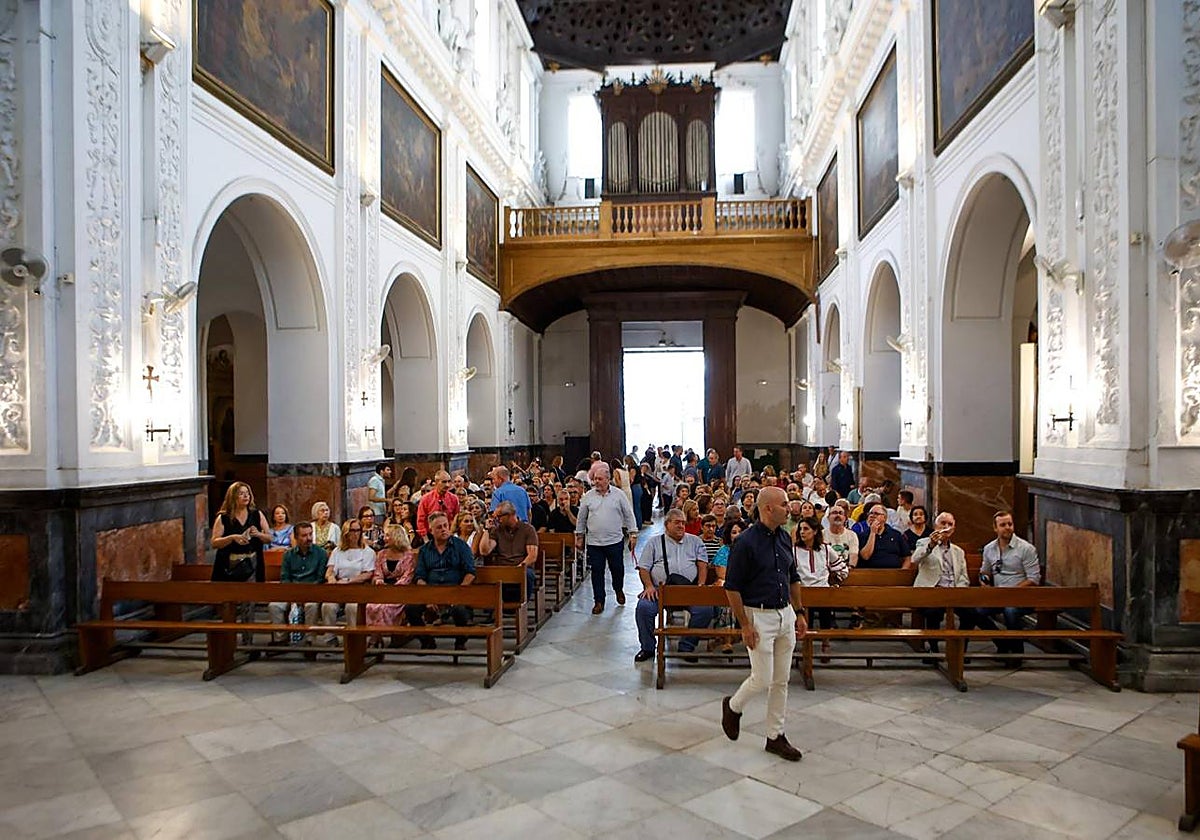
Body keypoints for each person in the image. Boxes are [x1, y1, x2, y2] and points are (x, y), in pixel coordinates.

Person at [719, 486, 805, 761]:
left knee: (781, 680)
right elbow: (732, 588)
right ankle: (733, 707)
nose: (789, 507)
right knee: (762, 678)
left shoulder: (784, 538)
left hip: (785, 614)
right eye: (784, 504)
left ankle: (775, 736)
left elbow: (793, 577)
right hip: (758, 616)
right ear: (768, 508)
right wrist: (744, 624)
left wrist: (800, 613)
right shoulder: (745, 542)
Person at [632, 508, 714, 663]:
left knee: (705, 610)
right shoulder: (654, 542)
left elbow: (702, 564)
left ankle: (686, 646)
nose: (681, 526)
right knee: (643, 609)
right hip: (659, 589)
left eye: (683, 523)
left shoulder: (695, 541)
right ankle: (648, 647)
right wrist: (648, 586)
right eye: (677, 523)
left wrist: (701, 585)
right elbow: (644, 567)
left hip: (687, 589)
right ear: (667, 524)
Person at [910, 511, 981, 661]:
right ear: (936, 526)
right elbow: (915, 559)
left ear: (954, 529)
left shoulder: (958, 552)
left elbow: (963, 576)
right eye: (943, 523)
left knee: (971, 614)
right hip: (932, 591)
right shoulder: (924, 542)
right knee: (933, 612)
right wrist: (931, 545)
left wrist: (958, 592)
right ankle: (933, 649)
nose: (946, 527)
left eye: (950, 525)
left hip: (953, 592)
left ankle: (961, 648)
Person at [575, 460, 638, 615]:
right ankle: (599, 601)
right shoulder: (588, 497)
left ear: (608, 479)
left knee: (617, 569)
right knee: (597, 571)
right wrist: (579, 535)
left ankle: (618, 589)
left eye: (600, 479)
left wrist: (633, 533)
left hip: (614, 541)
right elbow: (581, 518)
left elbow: (628, 515)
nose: (596, 482)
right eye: (595, 479)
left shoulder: (619, 495)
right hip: (594, 542)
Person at [407, 511, 476, 650]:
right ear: (431, 530)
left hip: (456, 590)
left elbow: (470, 573)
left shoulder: (460, 546)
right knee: (410, 609)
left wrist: (458, 593)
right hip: (432, 591)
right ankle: (427, 640)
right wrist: (428, 597)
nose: (444, 529)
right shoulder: (425, 550)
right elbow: (419, 576)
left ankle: (460, 641)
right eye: (439, 527)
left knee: (460, 610)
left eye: (446, 525)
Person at [977, 510, 1041, 659]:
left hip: (1021, 596)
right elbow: (985, 571)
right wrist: (984, 581)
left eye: (1010, 524)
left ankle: (1017, 653)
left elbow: (1034, 578)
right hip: (998, 596)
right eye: (1003, 525)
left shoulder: (1026, 549)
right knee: (977, 612)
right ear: (995, 528)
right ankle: (1002, 644)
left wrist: (1012, 591)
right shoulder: (989, 548)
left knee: (1010, 611)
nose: (1007, 528)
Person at [268, 521, 327, 646]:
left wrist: (305, 595)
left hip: (312, 592)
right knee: (274, 606)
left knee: (311, 606)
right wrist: (293, 596)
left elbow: (320, 579)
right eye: (304, 536)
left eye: (310, 534)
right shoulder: (288, 555)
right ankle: (280, 640)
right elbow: (285, 578)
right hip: (291, 592)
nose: (309, 538)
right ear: (296, 537)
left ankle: (310, 640)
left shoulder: (321, 553)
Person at [321, 520, 376, 643]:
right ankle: (330, 638)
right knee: (327, 606)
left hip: (358, 588)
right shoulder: (338, 551)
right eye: (352, 531)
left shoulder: (367, 551)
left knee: (352, 607)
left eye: (358, 531)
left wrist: (349, 581)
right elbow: (330, 570)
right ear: (346, 533)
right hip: (339, 588)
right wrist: (331, 578)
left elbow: (368, 574)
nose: (355, 534)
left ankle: (354, 639)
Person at [478, 500, 539, 601]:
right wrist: (487, 530)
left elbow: (532, 556)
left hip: (521, 566)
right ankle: (495, 603)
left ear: (510, 515)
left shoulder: (528, 529)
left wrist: (518, 568)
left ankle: (521, 602)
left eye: (499, 516)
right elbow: (485, 551)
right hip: (502, 566)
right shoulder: (497, 530)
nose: (497, 520)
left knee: (527, 575)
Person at [210, 482, 271, 583]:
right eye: (241, 493)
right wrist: (232, 538)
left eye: (247, 493)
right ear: (233, 497)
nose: (246, 496)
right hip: (229, 564)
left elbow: (269, 538)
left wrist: (258, 534)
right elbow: (214, 543)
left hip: (253, 563)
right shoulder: (224, 517)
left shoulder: (257, 514)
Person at [367, 526, 416, 642]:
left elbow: (408, 577)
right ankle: (376, 637)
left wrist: (393, 589)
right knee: (371, 606)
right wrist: (379, 580)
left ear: (397, 537)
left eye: (388, 535)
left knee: (386, 607)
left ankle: (389, 636)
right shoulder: (381, 554)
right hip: (382, 589)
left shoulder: (408, 556)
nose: (384, 538)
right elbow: (377, 572)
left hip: (400, 591)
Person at [857, 503, 911, 569]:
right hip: (870, 574)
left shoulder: (896, 535)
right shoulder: (862, 535)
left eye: (876, 514)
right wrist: (872, 533)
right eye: (870, 513)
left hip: (894, 574)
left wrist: (902, 572)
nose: (872, 516)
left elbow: (907, 557)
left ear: (884, 518)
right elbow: (865, 556)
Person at [416, 470, 460, 538]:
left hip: (449, 534)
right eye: (444, 482)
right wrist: (425, 539)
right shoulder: (426, 499)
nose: (447, 485)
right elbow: (421, 520)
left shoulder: (454, 499)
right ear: (436, 482)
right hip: (430, 536)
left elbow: (456, 518)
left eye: (449, 481)